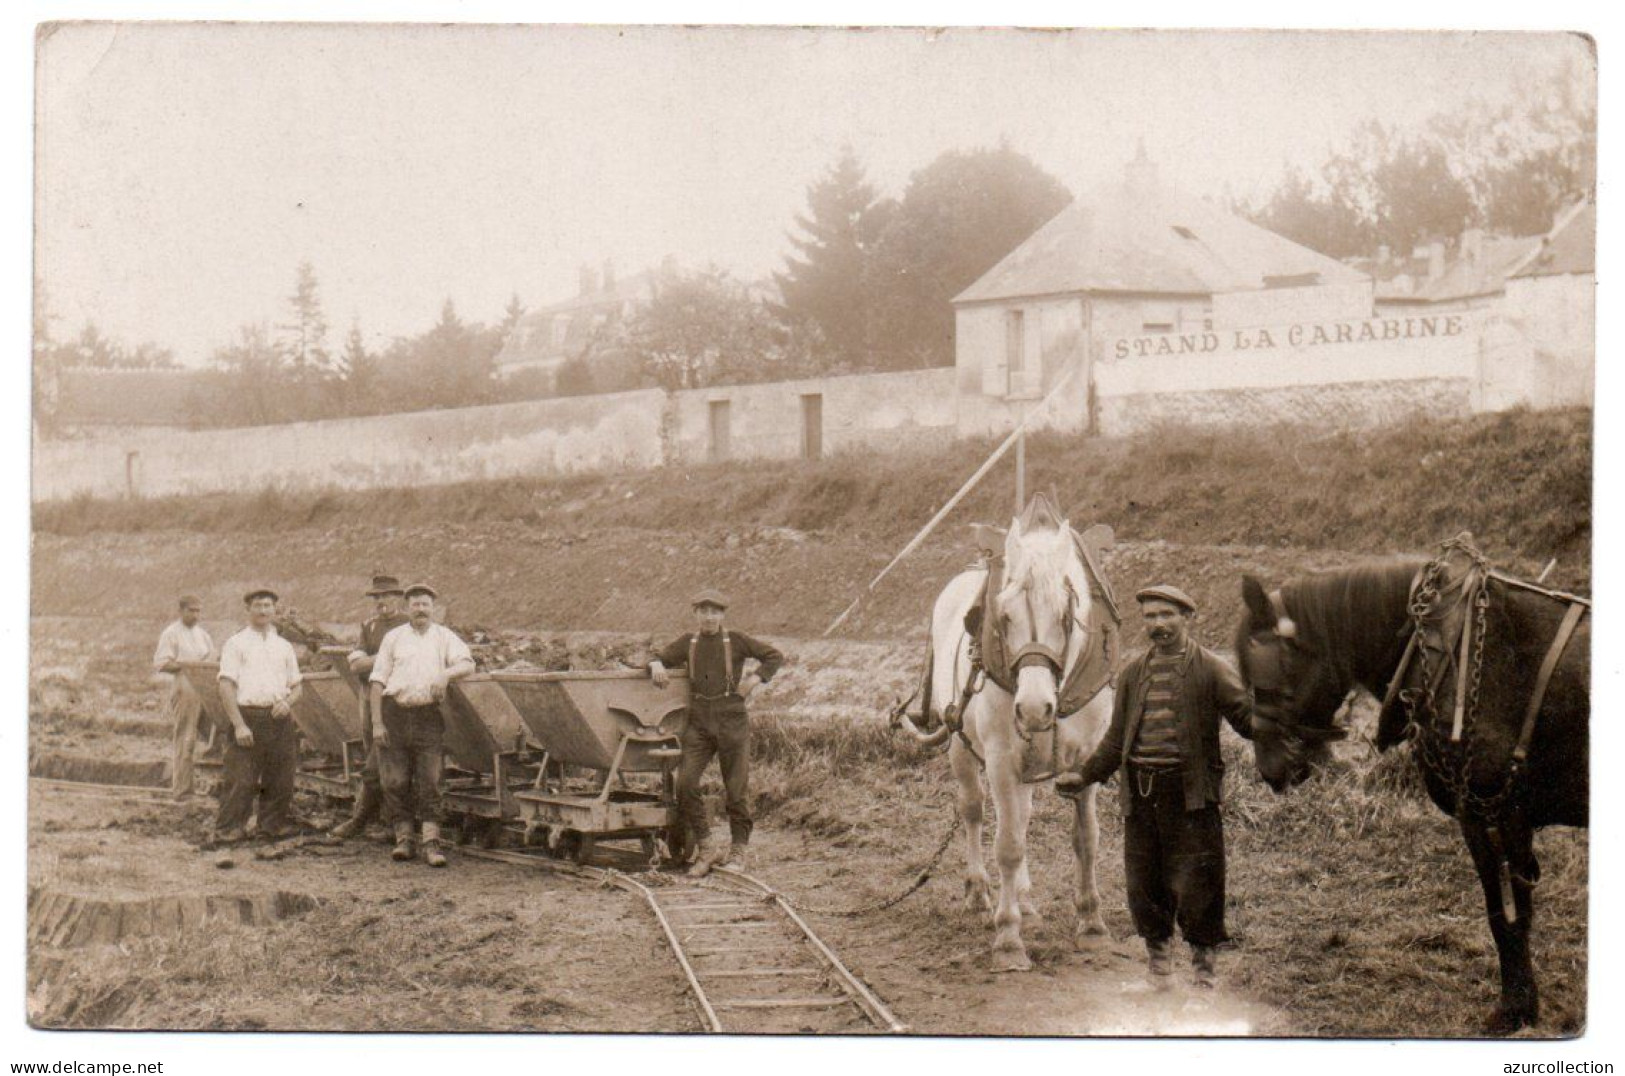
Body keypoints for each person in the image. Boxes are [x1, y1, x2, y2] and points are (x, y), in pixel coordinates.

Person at [1055, 584, 1254, 989]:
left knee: (1200, 885)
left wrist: (1280, 712)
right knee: (1145, 884)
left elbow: (1247, 721)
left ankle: (1203, 977)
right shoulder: (1132, 674)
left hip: (1192, 797)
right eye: (1150, 617)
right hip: (1141, 796)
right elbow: (1115, 740)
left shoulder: (1212, 669)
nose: (1158, 624)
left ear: (1187, 618)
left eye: (1167, 615)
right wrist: (1087, 774)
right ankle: (1159, 971)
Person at [649, 588, 783, 876]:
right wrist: (656, 663)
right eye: (703, 611)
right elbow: (657, 656)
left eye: (715, 612)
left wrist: (755, 679)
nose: (709, 617)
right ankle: (707, 848)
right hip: (698, 721)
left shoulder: (736, 640)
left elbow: (773, 656)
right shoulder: (688, 642)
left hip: (731, 719)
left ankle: (738, 851)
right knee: (685, 783)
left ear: (722, 615)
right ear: (695, 614)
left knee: (735, 790)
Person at [370, 583, 475, 868]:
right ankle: (404, 839)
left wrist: (444, 676)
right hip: (395, 714)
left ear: (433, 609)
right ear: (407, 608)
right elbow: (378, 680)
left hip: (428, 716)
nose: (420, 609)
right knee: (395, 780)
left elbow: (467, 663)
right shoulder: (393, 638)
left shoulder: (444, 637)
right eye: (415, 604)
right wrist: (377, 722)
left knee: (430, 779)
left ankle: (431, 842)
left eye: (425, 604)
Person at [216, 587, 304, 842]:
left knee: (280, 780)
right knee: (240, 779)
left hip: (278, 719)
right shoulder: (236, 643)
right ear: (248, 610)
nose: (263, 610)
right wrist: (240, 725)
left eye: (268, 606)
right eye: (258, 606)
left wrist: (287, 703)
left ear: (274, 610)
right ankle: (228, 830)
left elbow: (298, 686)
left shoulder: (284, 646)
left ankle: (268, 829)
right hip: (247, 717)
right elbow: (226, 685)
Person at [330, 575, 409, 839]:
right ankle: (377, 819)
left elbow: (405, 663)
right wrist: (381, 659)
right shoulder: (370, 626)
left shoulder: (408, 625)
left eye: (386, 596)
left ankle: (371, 820)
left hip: (396, 699)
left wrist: (371, 661)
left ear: (398, 598)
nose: (381, 601)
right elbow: (355, 665)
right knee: (371, 750)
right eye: (376, 597)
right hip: (368, 695)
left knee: (383, 758)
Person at [153, 594, 216, 798]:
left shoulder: (203, 635)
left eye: (198, 611)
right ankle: (182, 789)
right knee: (186, 736)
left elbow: (212, 657)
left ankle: (215, 785)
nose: (196, 615)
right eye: (191, 610)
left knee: (217, 732)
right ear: (181, 611)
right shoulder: (171, 633)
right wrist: (187, 665)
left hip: (205, 684)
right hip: (185, 684)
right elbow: (162, 663)